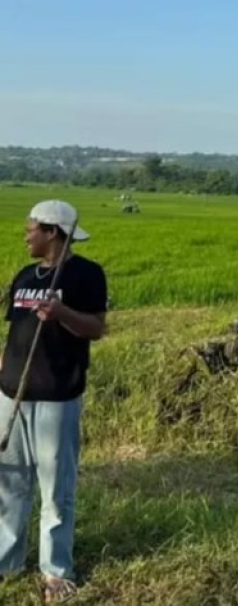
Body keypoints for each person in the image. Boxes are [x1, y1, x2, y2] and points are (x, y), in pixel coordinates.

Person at [0, 201, 108, 604]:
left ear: (53, 232)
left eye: (32, 228)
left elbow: (97, 328)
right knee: (9, 482)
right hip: (11, 394)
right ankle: (6, 562)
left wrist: (61, 312)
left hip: (56, 396)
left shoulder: (85, 274)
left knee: (55, 490)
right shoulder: (25, 275)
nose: (26, 234)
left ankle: (56, 573)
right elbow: (15, 337)